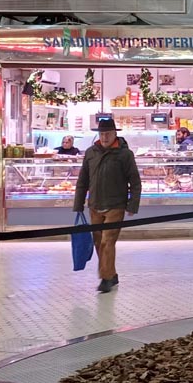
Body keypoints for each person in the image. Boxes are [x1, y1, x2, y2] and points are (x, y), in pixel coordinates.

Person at [72, 117, 142, 293]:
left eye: (108, 133)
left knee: (107, 242)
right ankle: (111, 274)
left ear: (115, 134)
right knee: (98, 242)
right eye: (102, 134)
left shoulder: (125, 154)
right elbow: (83, 180)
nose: (104, 137)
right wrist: (78, 204)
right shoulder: (90, 152)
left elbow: (135, 181)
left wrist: (132, 205)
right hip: (95, 204)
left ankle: (106, 279)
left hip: (116, 204)